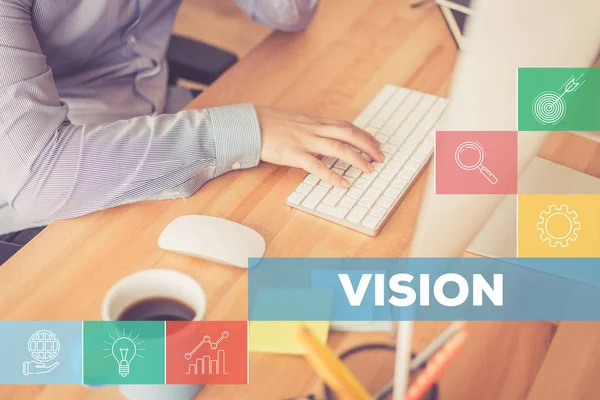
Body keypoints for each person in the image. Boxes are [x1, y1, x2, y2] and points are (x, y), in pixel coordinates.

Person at [0, 0, 383, 262]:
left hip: (167, 127)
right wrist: (248, 129)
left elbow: (290, 12)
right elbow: (39, 178)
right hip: (60, 198)